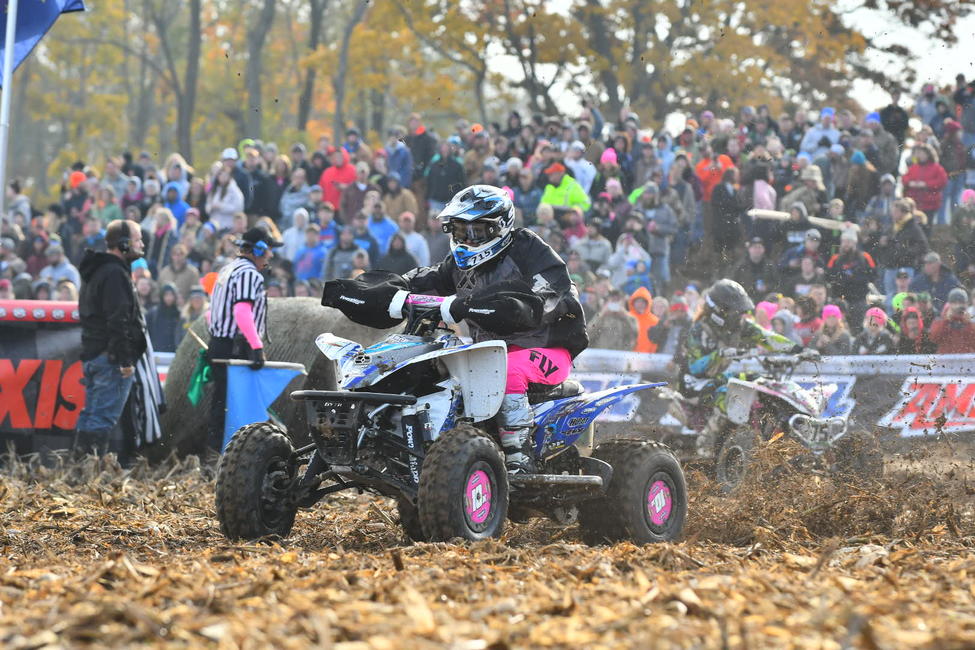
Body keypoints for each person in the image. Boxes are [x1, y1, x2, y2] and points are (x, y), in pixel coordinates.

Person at [323, 185, 587, 475]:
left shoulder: (527, 249)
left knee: (507, 370)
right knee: (433, 371)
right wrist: (383, 291)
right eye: (460, 231)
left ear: (500, 227)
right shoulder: (458, 266)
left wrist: (477, 304)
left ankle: (518, 458)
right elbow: (419, 282)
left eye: (476, 232)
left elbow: (549, 296)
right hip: (486, 353)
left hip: (545, 347)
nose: (467, 240)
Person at [673, 279, 796, 456]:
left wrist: (798, 349)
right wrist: (720, 354)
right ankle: (706, 441)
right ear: (718, 310)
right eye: (734, 310)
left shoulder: (740, 325)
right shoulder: (699, 330)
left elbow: (768, 338)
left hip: (720, 377)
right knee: (729, 392)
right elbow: (695, 367)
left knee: (756, 381)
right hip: (693, 383)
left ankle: (764, 434)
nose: (738, 314)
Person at [74, 219, 147, 457]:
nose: (142, 245)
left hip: (96, 354)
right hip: (110, 358)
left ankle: (78, 469)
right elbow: (118, 320)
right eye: (138, 240)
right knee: (102, 419)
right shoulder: (115, 274)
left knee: (91, 414)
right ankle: (89, 471)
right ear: (124, 245)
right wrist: (125, 360)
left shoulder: (99, 270)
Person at [206, 227, 282, 452]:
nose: (270, 256)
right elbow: (241, 312)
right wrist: (256, 347)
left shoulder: (228, 269)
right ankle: (233, 453)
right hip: (236, 348)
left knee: (221, 403)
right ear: (258, 249)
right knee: (237, 404)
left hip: (220, 343)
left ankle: (214, 454)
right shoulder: (249, 273)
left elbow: (210, 313)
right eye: (268, 251)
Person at [929, 288, 975, 353]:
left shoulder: (970, 320)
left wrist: (969, 324)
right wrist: (945, 321)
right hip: (946, 360)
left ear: (966, 304)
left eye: (961, 302)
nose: (958, 306)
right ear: (949, 304)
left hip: (965, 360)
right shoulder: (940, 320)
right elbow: (934, 339)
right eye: (954, 303)